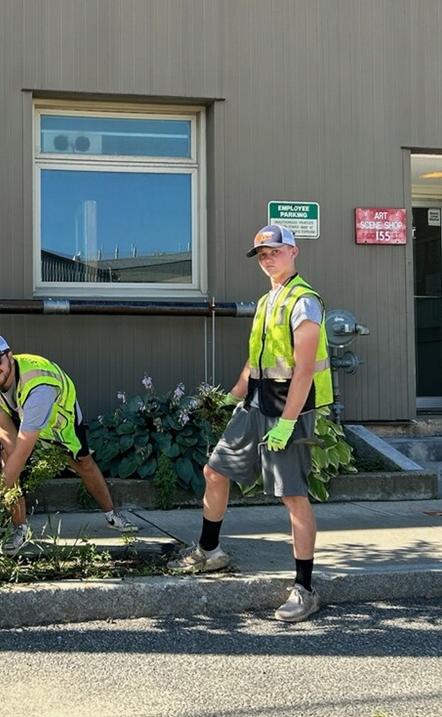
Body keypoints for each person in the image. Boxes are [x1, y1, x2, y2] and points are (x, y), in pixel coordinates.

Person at [168, 224, 333, 623]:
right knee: (214, 471)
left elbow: (305, 370)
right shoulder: (266, 301)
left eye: (274, 251)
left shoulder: (304, 301)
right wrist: (234, 394)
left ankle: (305, 589)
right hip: (256, 405)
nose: (268, 258)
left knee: (292, 495)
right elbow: (256, 359)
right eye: (262, 254)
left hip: (289, 409)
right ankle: (210, 553)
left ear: (293, 252)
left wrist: (288, 423)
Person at [0, 333, 140, 555]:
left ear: (9, 356)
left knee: (83, 464)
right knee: (7, 457)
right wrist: (8, 468)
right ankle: (19, 528)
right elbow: (3, 428)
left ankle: (112, 514)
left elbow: (23, 453)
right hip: (20, 412)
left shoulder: (39, 386)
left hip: (60, 419)